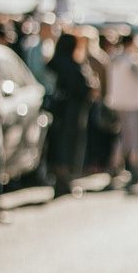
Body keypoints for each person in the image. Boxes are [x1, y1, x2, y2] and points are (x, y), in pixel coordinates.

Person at [45, 30, 95, 197]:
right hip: (70, 111)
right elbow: (82, 86)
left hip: (55, 109)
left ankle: (60, 179)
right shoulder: (70, 64)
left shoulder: (53, 63)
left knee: (57, 145)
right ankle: (63, 179)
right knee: (67, 145)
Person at [105, 32, 138, 188]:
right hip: (132, 103)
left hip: (118, 102)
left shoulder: (114, 59)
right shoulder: (131, 61)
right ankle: (134, 167)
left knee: (123, 136)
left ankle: (115, 165)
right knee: (134, 137)